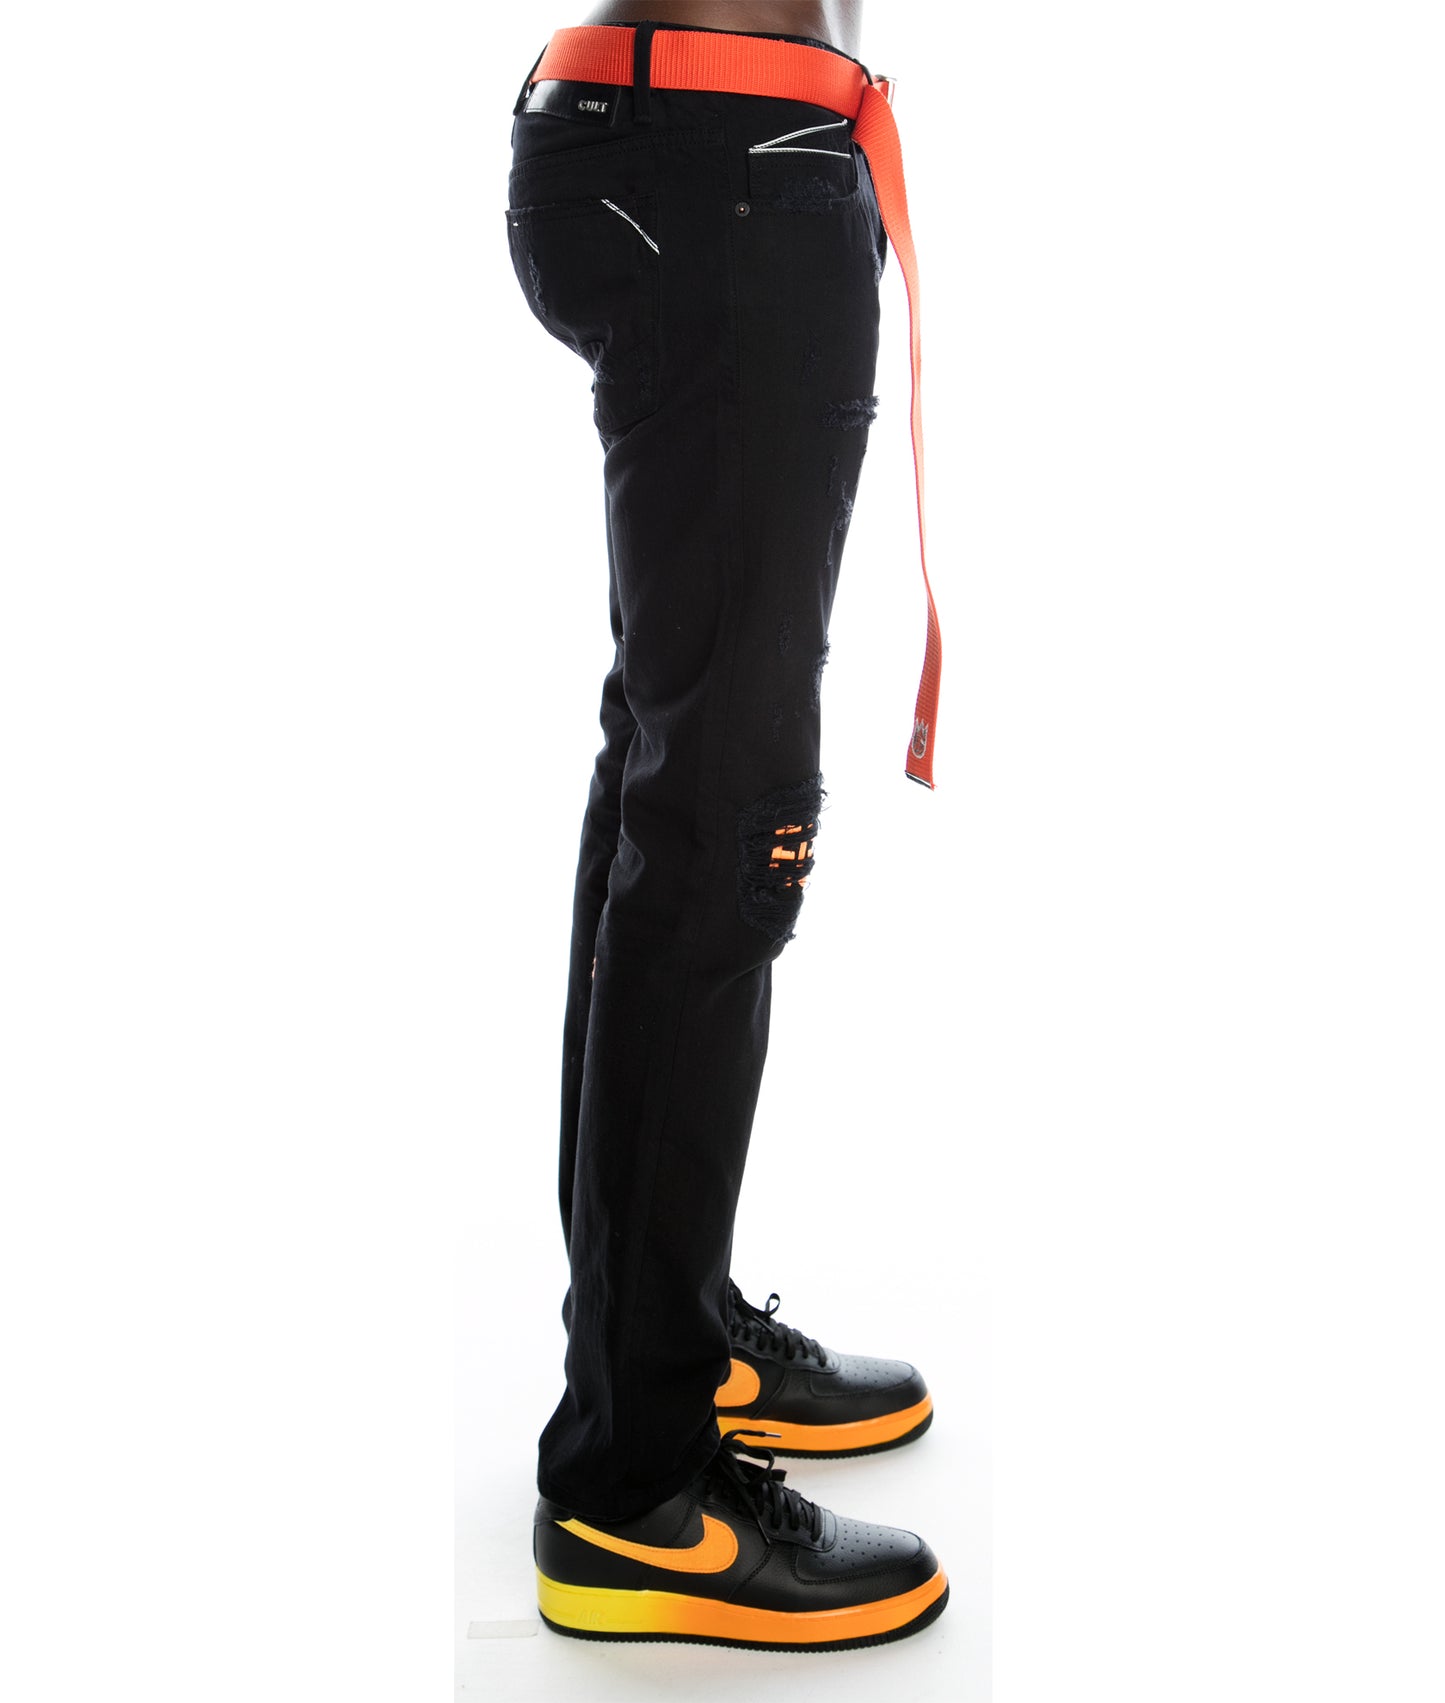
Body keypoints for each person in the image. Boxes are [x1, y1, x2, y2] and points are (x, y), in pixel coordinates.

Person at [503, 1, 947, 1650]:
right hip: (726, 167)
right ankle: (633, 1490)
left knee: (670, 768)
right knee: (719, 814)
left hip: (687, 143)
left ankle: (658, 1342)